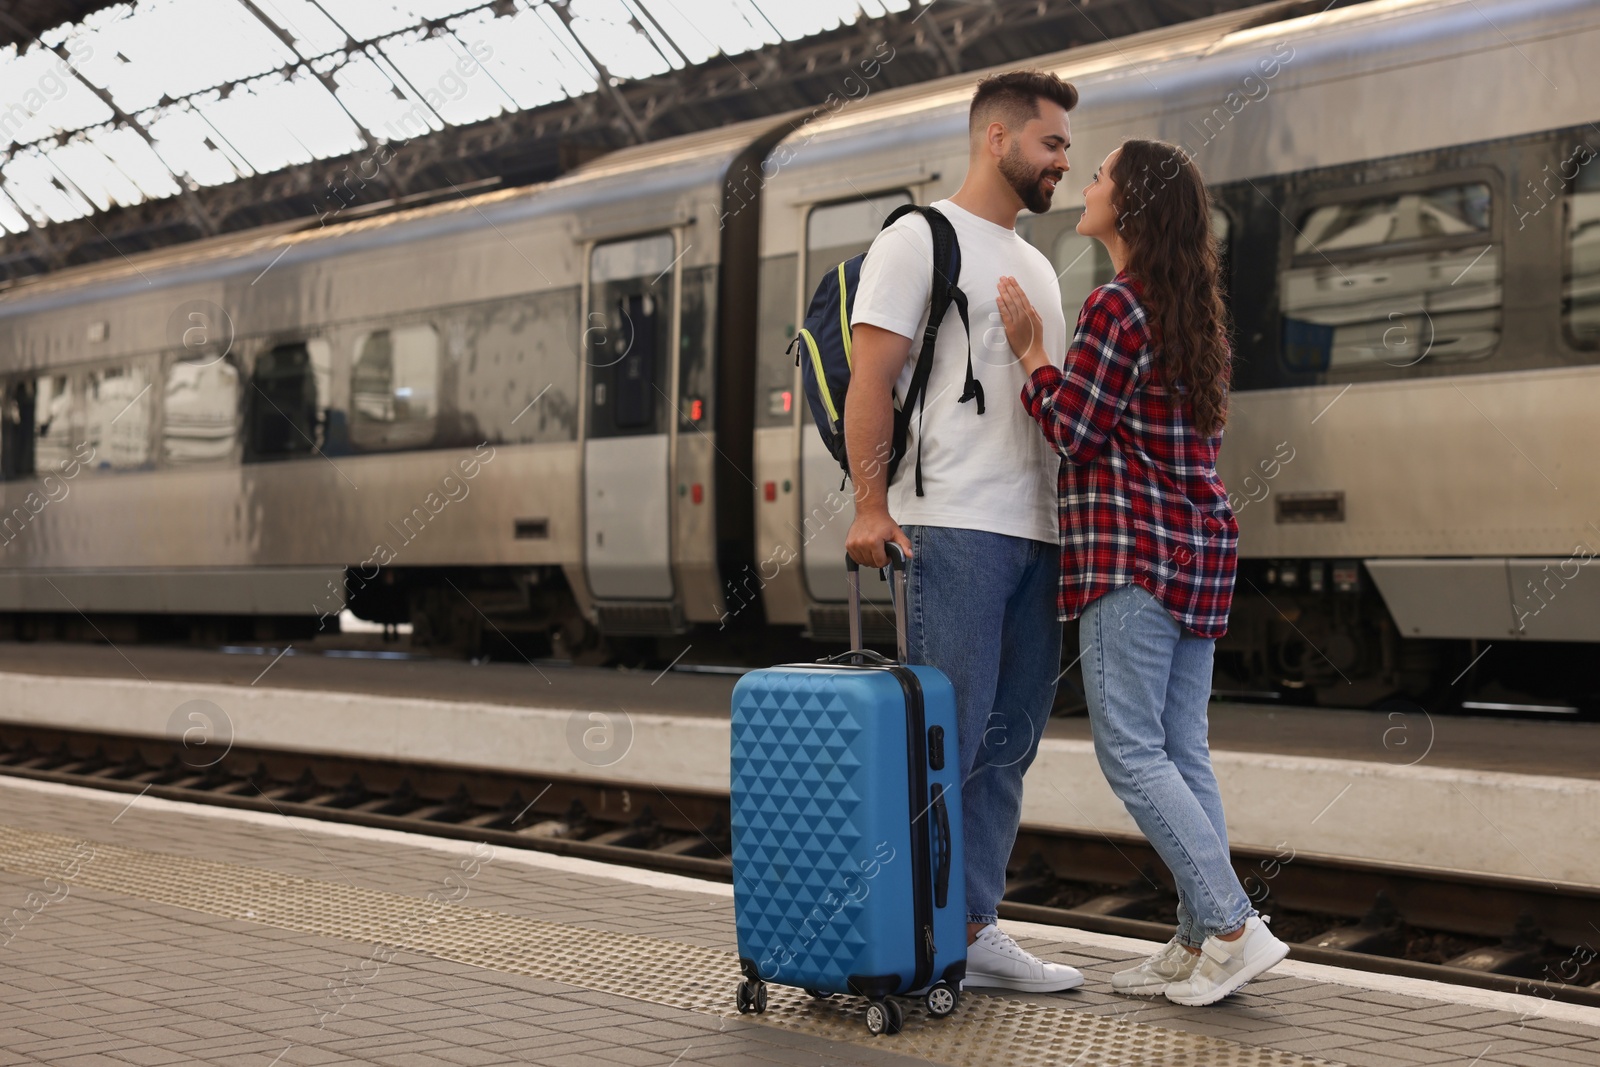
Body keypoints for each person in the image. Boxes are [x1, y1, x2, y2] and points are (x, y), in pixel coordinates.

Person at [996, 138, 1289, 1005]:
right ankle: (1198, 940)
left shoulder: (1116, 306)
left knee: (1130, 752)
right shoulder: (1192, 309)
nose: (1085, 184)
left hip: (1132, 553)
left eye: (1099, 175)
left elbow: (1076, 430)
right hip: (1198, 549)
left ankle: (1235, 927)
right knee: (1181, 750)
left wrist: (1029, 354)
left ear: (1129, 206)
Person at [843, 70, 1085, 993]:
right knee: (947, 739)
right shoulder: (918, 239)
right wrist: (872, 506)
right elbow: (873, 379)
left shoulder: (1036, 260)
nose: (1065, 159)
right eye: (1051, 143)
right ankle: (917, 928)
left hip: (1039, 530)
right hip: (951, 524)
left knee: (1011, 737)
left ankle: (975, 923)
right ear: (998, 139)